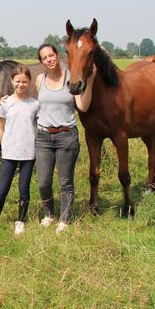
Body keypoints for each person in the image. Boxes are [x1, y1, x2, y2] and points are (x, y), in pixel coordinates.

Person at [35, 43, 95, 233]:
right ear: (41, 62)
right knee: (43, 181)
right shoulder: (39, 80)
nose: (49, 60)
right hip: (43, 137)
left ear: (58, 56)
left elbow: (83, 107)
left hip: (66, 136)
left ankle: (65, 219)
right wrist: (7, 101)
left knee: (65, 181)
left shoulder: (71, 78)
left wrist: (90, 82)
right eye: (45, 58)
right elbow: (32, 103)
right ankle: (49, 214)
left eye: (51, 55)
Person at [0, 65, 39, 236]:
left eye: (24, 81)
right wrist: (4, 146)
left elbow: (38, 127)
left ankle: (21, 221)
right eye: (18, 81)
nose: (21, 84)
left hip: (28, 152)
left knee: (24, 187)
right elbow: (1, 127)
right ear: (12, 81)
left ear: (29, 82)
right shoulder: (5, 103)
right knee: (3, 187)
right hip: (9, 152)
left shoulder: (35, 104)